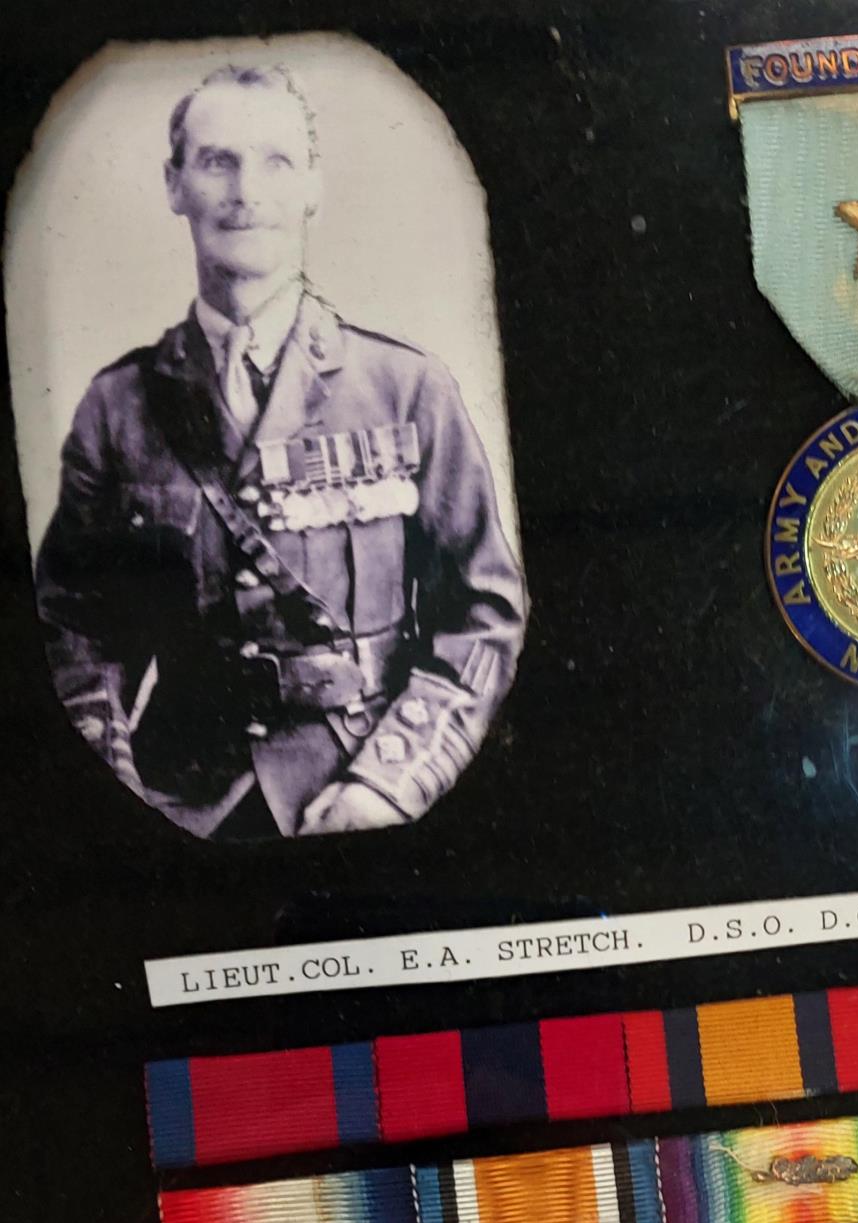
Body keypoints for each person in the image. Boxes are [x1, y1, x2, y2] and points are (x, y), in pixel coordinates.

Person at [35, 63, 527, 838]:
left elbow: (486, 613)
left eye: (275, 162)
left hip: (364, 784)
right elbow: (70, 624)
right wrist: (115, 791)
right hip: (183, 801)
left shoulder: (406, 388)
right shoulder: (117, 405)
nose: (245, 192)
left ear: (311, 189)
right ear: (175, 186)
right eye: (216, 161)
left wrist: (389, 785)